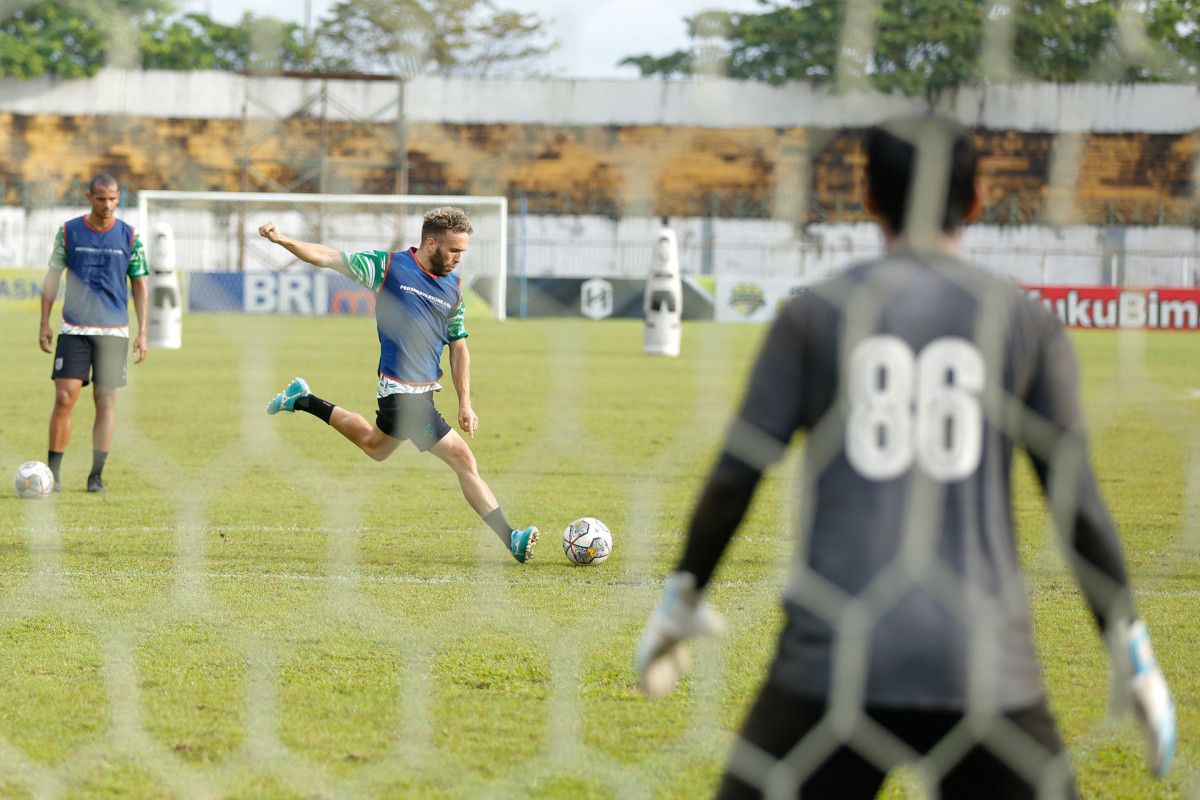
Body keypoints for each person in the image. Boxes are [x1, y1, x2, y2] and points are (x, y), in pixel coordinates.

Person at [634, 115, 1175, 798]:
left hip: (833, 663)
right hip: (981, 668)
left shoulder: (816, 315)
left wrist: (683, 596)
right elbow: (1078, 504)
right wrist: (1131, 653)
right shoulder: (1022, 321)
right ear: (976, 200)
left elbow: (735, 476)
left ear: (868, 197)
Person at [257, 206, 539, 563]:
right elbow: (329, 256)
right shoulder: (388, 268)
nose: (458, 258)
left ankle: (303, 399)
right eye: (453, 250)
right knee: (464, 459)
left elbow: (459, 346)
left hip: (422, 392)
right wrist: (282, 240)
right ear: (431, 242)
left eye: (463, 252)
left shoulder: (453, 288)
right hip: (402, 393)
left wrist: (465, 402)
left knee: (375, 446)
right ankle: (511, 538)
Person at [40, 173, 149, 493]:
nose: (107, 204)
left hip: (114, 332)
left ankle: (96, 475)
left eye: (113, 198)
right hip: (74, 328)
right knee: (64, 396)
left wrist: (144, 332)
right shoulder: (69, 231)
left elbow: (140, 285)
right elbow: (52, 278)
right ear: (90, 198)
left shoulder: (129, 237)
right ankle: (54, 473)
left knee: (106, 399)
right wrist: (44, 322)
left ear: (119, 198)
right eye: (101, 198)